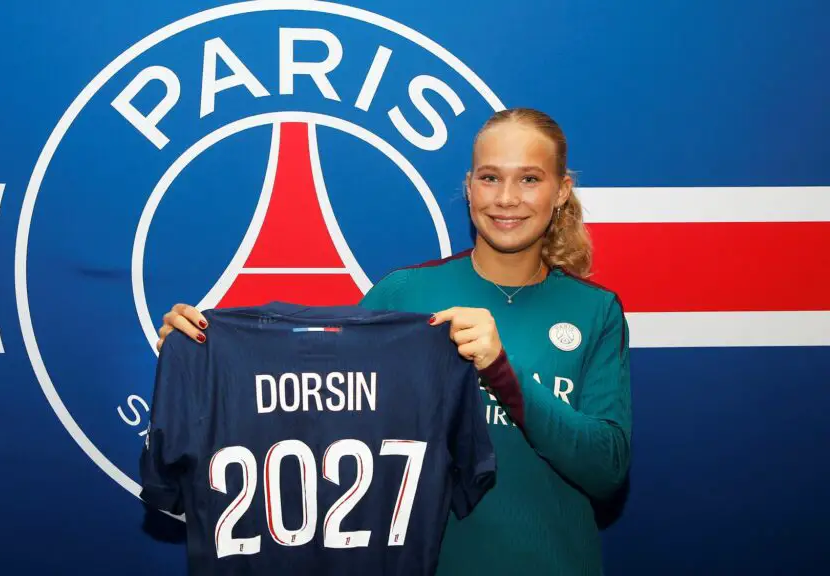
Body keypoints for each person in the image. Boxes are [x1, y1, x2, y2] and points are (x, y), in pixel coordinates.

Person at [154, 107, 633, 575]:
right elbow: (306, 399)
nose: (506, 198)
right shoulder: (406, 294)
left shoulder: (594, 310)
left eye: (529, 179)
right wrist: (203, 355)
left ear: (561, 190)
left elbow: (606, 469)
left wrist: (502, 371)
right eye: (490, 178)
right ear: (469, 187)